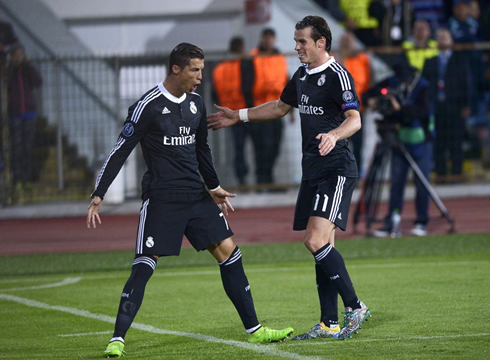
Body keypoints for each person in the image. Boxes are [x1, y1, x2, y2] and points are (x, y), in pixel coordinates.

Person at [87, 43, 293, 358]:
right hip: (162, 199)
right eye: (195, 70)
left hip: (196, 196)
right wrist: (99, 193)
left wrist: (214, 186)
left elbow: (201, 150)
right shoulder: (148, 106)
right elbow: (121, 150)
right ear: (176, 69)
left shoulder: (196, 104)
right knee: (144, 264)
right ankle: (117, 338)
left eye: (201, 69)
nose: (200, 77)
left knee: (230, 252)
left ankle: (255, 330)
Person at [208, 15, 371, 341]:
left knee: (315, 241)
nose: (296, 47)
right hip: (313, 171)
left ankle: (354, 306)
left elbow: (355, 119)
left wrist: (334, 135)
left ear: (321, 42)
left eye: (302, 42)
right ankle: (329, 324)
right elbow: (280, 108)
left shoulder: (338, 75)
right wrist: (238, 116)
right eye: (296, 41)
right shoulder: (301, 75)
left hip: (336, 168)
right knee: (322, 246)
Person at [365, 62, 434, 237]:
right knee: (396, 182)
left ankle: (421, 221)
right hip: (400, 139)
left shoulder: (423, 87)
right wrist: (372, 100)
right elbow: (369, 94)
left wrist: (399, 108)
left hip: (421, 140)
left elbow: (421, 112)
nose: (403, 84)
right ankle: (391, 221)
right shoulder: (393, 81)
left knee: (421, 183)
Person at [422, 28, 472, 183]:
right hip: (437, 107)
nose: (441, 39)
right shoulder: (430, 61)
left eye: (445, 36)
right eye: (438, 37)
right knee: (439, 142)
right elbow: (425, 85)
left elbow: (467, 84)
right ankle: (441, 174)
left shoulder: (460, 60)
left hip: (455, 107)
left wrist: (467, 105)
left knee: (456, 141)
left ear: (451, 40)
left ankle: (457, 174)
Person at [248, 28, 290, 189]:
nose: (268, 41)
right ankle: (262, 181)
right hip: (259, 110)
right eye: (265, 38)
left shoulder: (280, 57)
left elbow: (286, 81)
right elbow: (248, 81)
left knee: (274, 147)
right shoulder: (253, 56)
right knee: (261, 147)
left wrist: (290, 109)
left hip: (278, 109)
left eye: (270, 38)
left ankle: (268, 177)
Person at [212, 36, 254, 187]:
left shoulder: (219, 69)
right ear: (242, 48)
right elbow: (250, 87)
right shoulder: (246, 64)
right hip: (249, 113)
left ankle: (242, 179)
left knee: (239, 148)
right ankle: (263, 180)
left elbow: (214, 95)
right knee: (260, 147)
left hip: (231, 114)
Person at [6, 45, 43, 191]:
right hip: (14, 113)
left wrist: (28, 65)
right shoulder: (10, 71)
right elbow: (6, 83)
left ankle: (27, 178)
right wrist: (11, 67)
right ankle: (18, 179)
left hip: (29, 113)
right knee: (17, 148)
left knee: (28, 148)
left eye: (21, 54)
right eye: (17, 55)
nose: (19, 57)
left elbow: (37, 82)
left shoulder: (27, 70)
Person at [335, 31, 372, 175]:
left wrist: (368, 102)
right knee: (339, 145)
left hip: (358, 110)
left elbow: (369, 82)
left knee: (358, 145)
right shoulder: (334, 59)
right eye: (344, 42)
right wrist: (341, 58)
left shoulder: (363, 59)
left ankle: (356, 174)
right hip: (339, 112)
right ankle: (341, 175)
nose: (346, 44)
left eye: (348, 41)